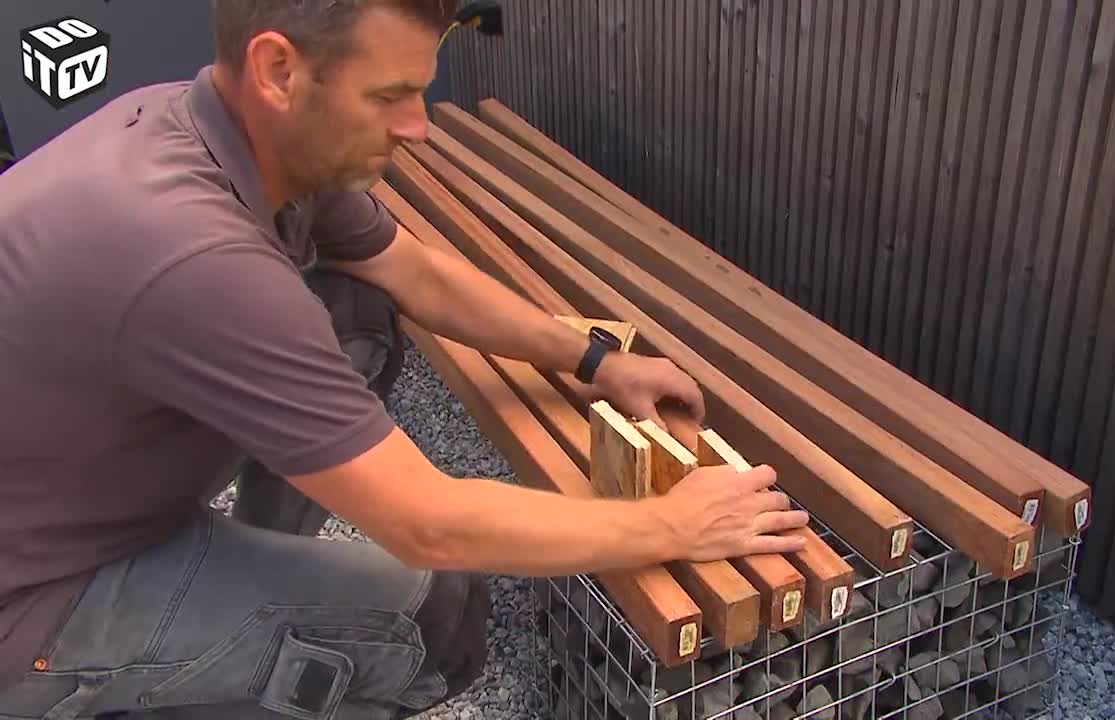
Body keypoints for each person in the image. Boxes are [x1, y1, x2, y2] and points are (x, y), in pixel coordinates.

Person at [0, 1, 812, 718]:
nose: (418, 124)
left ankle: (254, 563)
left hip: (59, 499)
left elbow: (415, 273)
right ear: (278, 69)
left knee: (356, 310)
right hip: (37, 600)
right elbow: (429, 524)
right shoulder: (192, 254)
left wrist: (597, 360)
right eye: (388, 95)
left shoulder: (230, 132)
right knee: (433, 625)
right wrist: (674, 524)